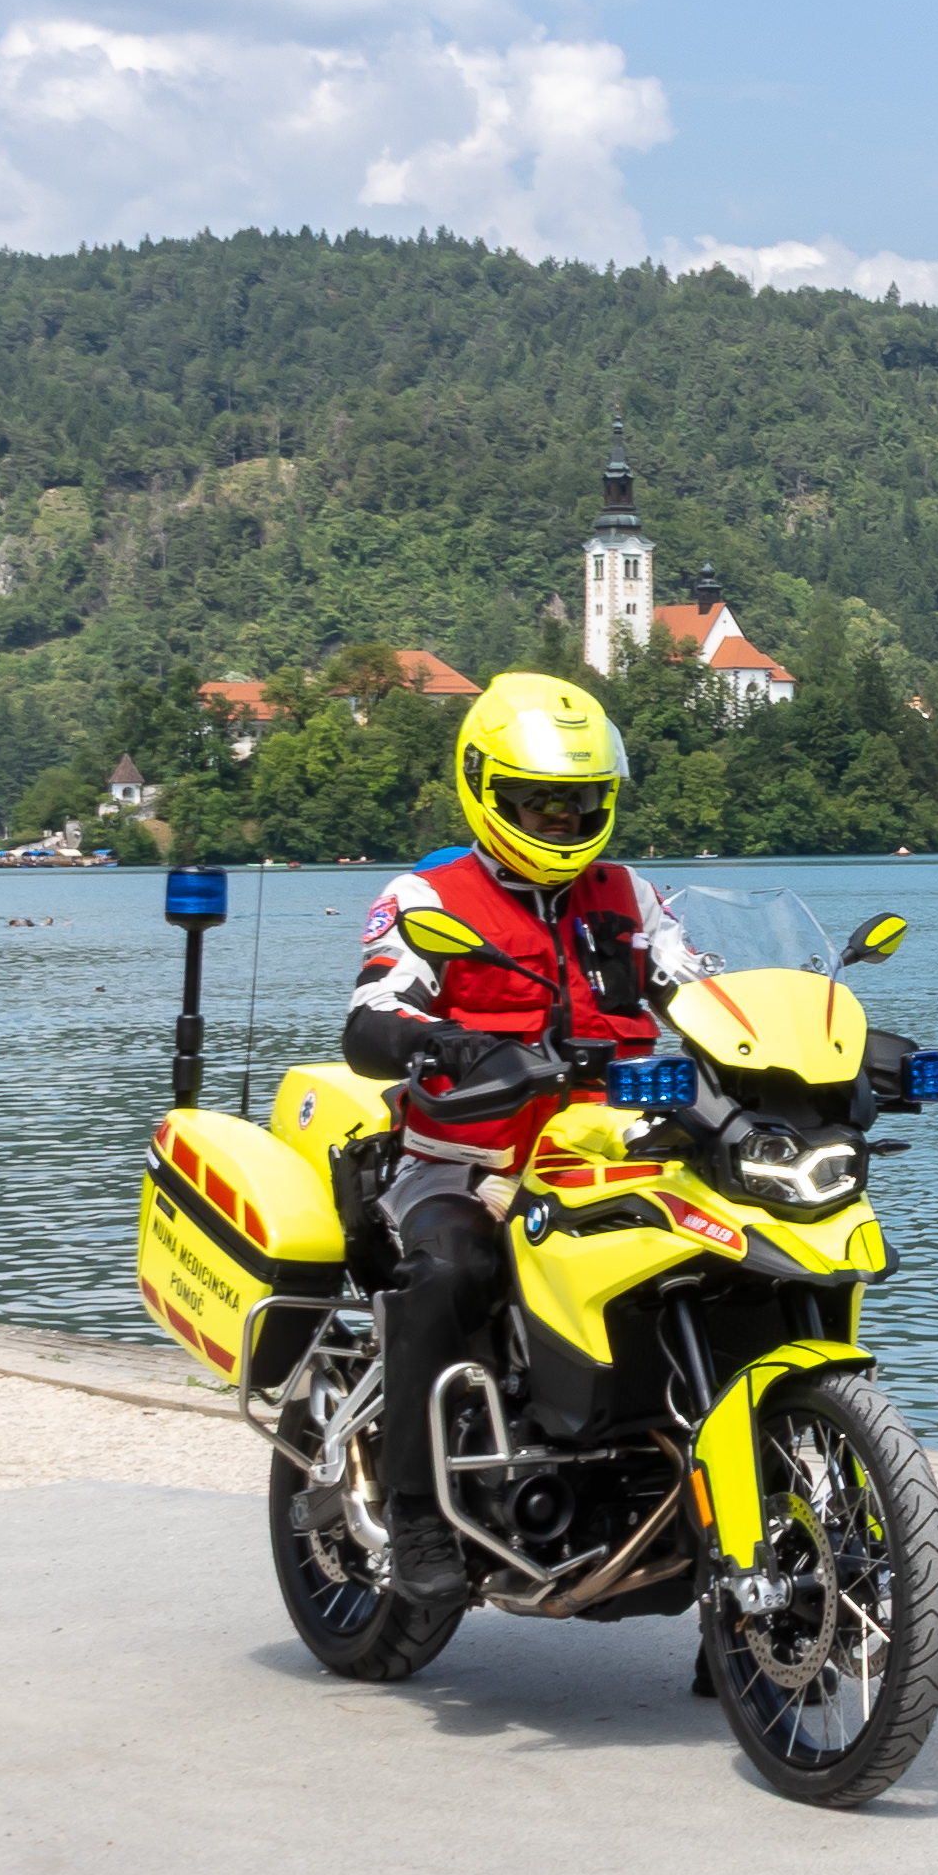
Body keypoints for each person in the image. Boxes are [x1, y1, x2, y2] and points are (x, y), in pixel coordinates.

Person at [340, 677, 682, 1598]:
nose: (563, 820)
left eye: (581, 802)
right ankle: (417, 1510)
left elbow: (704, 991)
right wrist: (438, 1040)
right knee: (452, 1272)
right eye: (540, 801)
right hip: (468, 1165)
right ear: (488, 792)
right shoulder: (428, 895)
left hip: (609, 1159)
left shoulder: (632, 897)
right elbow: (371, 1016)